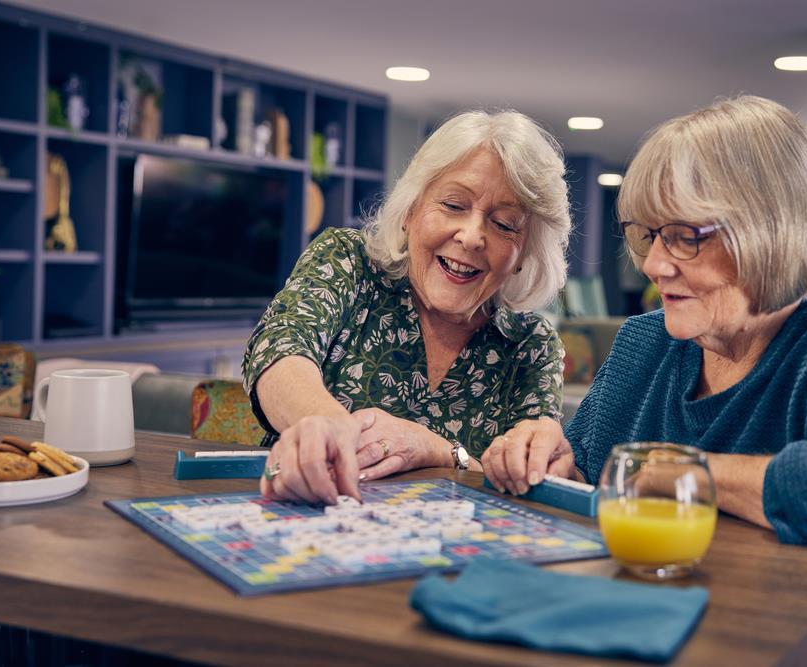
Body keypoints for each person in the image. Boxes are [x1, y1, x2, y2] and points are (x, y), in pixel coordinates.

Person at [482, 96, 807, 666]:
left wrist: (680, 475)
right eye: (651, 234)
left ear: (774, 232)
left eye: (686, 235)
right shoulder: (644, 342)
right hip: (665, 638)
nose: (655, 265)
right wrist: (548, 458)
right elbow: (590, 480)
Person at [243, 110, 571, 506]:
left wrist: (439, 450)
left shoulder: (531, 346)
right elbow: (280, 349)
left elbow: (529, 480)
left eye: (504, 225)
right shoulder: (349, 263)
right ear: (411, 210)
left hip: (449, 558)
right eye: (453, 204)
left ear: (524, 253)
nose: (471, 237)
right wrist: (327, 425)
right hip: (303, 518)